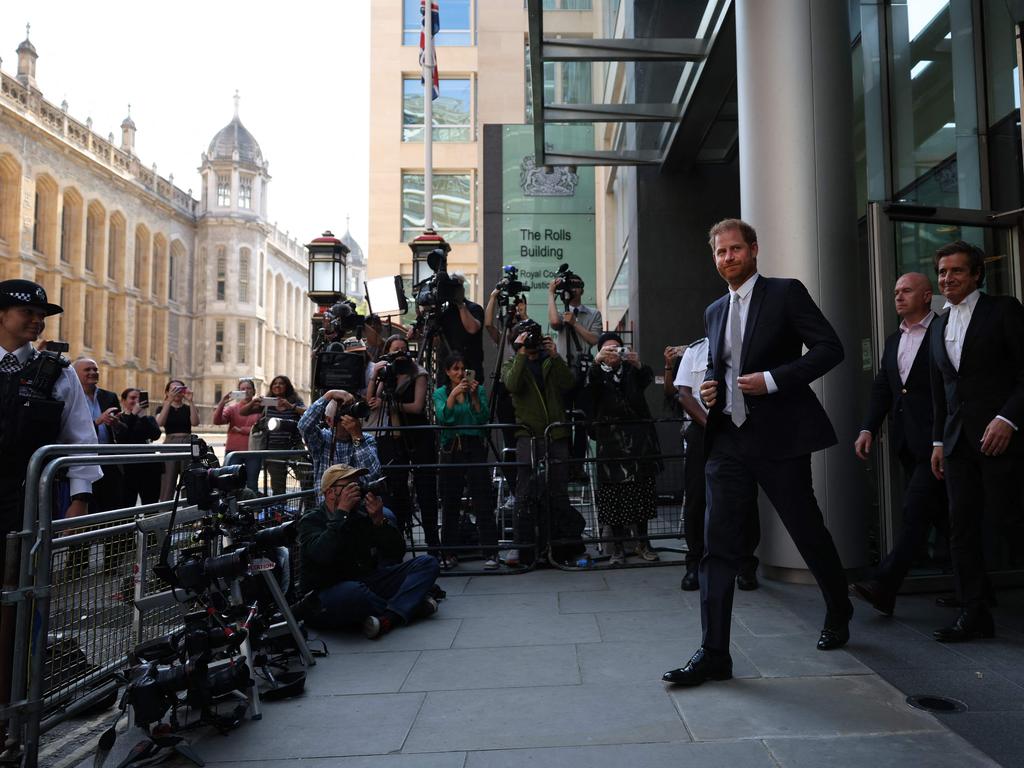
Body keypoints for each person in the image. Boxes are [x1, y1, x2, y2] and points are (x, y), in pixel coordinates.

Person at [664, 218, 851, 689]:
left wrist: (772, 380)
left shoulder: (786, 293)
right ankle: (714, 653)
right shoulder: (713, 310)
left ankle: (838, 606)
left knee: (805, 528)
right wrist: (711, 389)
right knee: (717, 546)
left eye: (735, 249)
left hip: (780, 437)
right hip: (727, 439)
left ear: (754, 250)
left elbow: (831, 349)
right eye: (720, 252)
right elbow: (724, 367)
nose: (727, 258)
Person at [929, 241, 1024, 643]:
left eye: (956, 271)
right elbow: (942, 392)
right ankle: (973, 612)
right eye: (943, 272)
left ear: (977, 274)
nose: (947, 279)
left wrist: (1009, 418)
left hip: (1002, 438)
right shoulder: (937, 323)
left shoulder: (1003, 310)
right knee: (960, 528)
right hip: (956, 444)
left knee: (1011, 521)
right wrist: (937, 441)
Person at [851, 273, 948, 617]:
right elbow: (884, 389)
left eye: (906, 291)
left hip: (941, 443)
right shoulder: (894, 340)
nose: (898, 297)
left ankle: (884, 585)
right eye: (895, 292)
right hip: (908, 443)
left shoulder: (943, 330)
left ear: (926, 296)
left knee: (915, 511)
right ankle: (970, 588)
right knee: (944, 518)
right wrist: (867, 428)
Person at [0, 280, 100, 572]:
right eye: (27, 312)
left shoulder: (59, 372)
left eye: (42, 315)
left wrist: (79, 499)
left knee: (18, 584)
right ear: (2, 314)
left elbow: (81, 437)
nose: (37, 321)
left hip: (25, 502)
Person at [298, 464, 441, 638]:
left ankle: (389, 618)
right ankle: (410, 606)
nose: (356, 490)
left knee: (428, 563)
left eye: (357, 484)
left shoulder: (360, 514)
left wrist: (380, 521)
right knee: (354, 592)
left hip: (364, 581)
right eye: (349, 487)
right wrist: (341, 513)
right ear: (330, 493)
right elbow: (322, 554)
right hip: (326, 593)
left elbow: (395, 553)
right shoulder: (311, 520)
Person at [671, 339, 760, 592]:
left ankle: (745, 565)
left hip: (740, 427)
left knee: (744, 498)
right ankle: (695, 563)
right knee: (698, 499)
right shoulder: (695, 350)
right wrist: (710, 425)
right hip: (703, 430)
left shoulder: (746, 345)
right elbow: (683, 393)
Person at [501, 319, 577, 566]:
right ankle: (522, 547)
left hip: (555, 435)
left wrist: (555, 357)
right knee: (524, 493)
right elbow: (511, 384)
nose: (532, 341)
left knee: (558, 493)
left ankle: (560, 547)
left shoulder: (549, 360)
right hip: (528, 436)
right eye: (525, 337)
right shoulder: (512, 364)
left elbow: (569, 384)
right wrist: (521, 352)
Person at [587, 333, 660, 565]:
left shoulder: (631, 371)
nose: (614, 354)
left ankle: (643, 543)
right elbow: (588, 392)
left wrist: (637, 364)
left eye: (617, 349)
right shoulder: (596, 373)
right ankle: (617, 548)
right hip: (610, 444)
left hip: (639, 444)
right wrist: (596, 362)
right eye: (608, 350)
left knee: (641, 495)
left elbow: (647, 380)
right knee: (613, 499)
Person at [365, 335, 440, 553]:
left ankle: (433, 544)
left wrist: (389, 404)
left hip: (417, 435)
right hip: (393, 437)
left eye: (403, 349)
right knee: (395, 488)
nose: (399, 353)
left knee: (425, 489)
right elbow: (372, 403)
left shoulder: (418, 372)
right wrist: (374, 376)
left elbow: (417, 407)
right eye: (395, 349)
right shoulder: (386, 374)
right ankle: (395, 543)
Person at [433, 352, 499, 570]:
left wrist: (472, 397)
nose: (460, 373)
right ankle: (448, 553)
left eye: (463, 368)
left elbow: (482, 418)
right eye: (455, 369)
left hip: (474, 446)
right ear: (447, 372)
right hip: (452, 448)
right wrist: (453, 395)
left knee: (483, 499)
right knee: (451, 501)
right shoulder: (441, 393)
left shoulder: (477, 390)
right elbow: (444, 418)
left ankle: (491, 552)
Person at [547, 271, 602, 477]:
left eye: (576, 285)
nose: (573, 289)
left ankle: (577, 466)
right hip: (562, 372)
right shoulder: (561, 311)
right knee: (562, 420)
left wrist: (574, 323)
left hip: (583, 373)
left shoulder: (593, 314)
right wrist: (551, 294)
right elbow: (553, 323)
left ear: (582, 289)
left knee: (580, 420)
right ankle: (565, 463)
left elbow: (594, 340)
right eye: (570, 286)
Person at [297, 388, 382, 506]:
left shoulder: (365, 439)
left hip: (358, 507)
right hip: (328, 509)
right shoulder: (322, 439)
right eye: (344, 412)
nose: (351, 417)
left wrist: (357, 437)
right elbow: (304, 426)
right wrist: (329, 395)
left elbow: (373, 474)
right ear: (329, 420)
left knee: (389, 517)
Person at [72, 357, 123, 512]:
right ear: (75, 374)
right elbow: (72, 428)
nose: (93, 372)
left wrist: (115, 424)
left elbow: (122, 430)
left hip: (107, 459)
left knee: (111, 504)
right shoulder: (71, 396)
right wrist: (98, 421)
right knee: (88, 505)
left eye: (95, 369)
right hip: (82, 459)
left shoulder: (109, 397)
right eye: (87, 370)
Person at [241, 375, 307, 495]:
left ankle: (308, 505)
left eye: (281, 383)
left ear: (287, 386)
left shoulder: (295, 401)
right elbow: (243, 412)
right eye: (275, 384)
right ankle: (279, 511)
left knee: (306, 475)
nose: (277, 386)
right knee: (277, 485)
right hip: (274, 448)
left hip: (294, 447)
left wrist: (291, 406)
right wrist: (253, 402)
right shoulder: (267, 402)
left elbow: (308, 413)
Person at [115, 387, 163, 506]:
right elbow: (122, 436)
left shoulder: (148, 419)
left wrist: (142, 417)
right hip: (128, 467)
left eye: (139, 398)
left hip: (148, 466)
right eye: (132, 398)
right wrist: (132, 415)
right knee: (127, 503)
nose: (136, 401)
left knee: (150, 504)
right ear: (123, 401)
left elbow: (155, 435)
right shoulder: (118, 419)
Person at [214, 379, 263, 493]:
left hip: (253, 452)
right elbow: (217, 421)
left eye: (248, 388)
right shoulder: (232, 408)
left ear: (254, 391)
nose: (246, 391)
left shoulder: (260, 409)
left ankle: (252, 509)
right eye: (242, 389)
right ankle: (232, 509)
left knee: (252, 484)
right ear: (238, 392)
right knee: (231, 483)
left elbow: (261, 429)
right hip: (234, 451)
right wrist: (222, 402)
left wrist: (241, 430)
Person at [155, 379, 199, 500]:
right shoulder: (162, 408)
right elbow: (159, 422)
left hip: (187, 442)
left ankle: (189, 510)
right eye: (173, 389)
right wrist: (168, 401)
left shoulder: (187, 407)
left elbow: (195, 423)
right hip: (170, 442)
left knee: (189, 479)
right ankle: (165, 510)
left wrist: (191, 401)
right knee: (168, 480)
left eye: (180, 389)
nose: (177, 392)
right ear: (167, 392)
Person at [436, 273, 485, 379]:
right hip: (448, 371)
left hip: (469, 368)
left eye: (455, 288)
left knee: (470, 394)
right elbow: (436, 340)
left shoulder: (474, 309)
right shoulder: (444, 313)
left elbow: (472, 329)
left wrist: (460, 304)